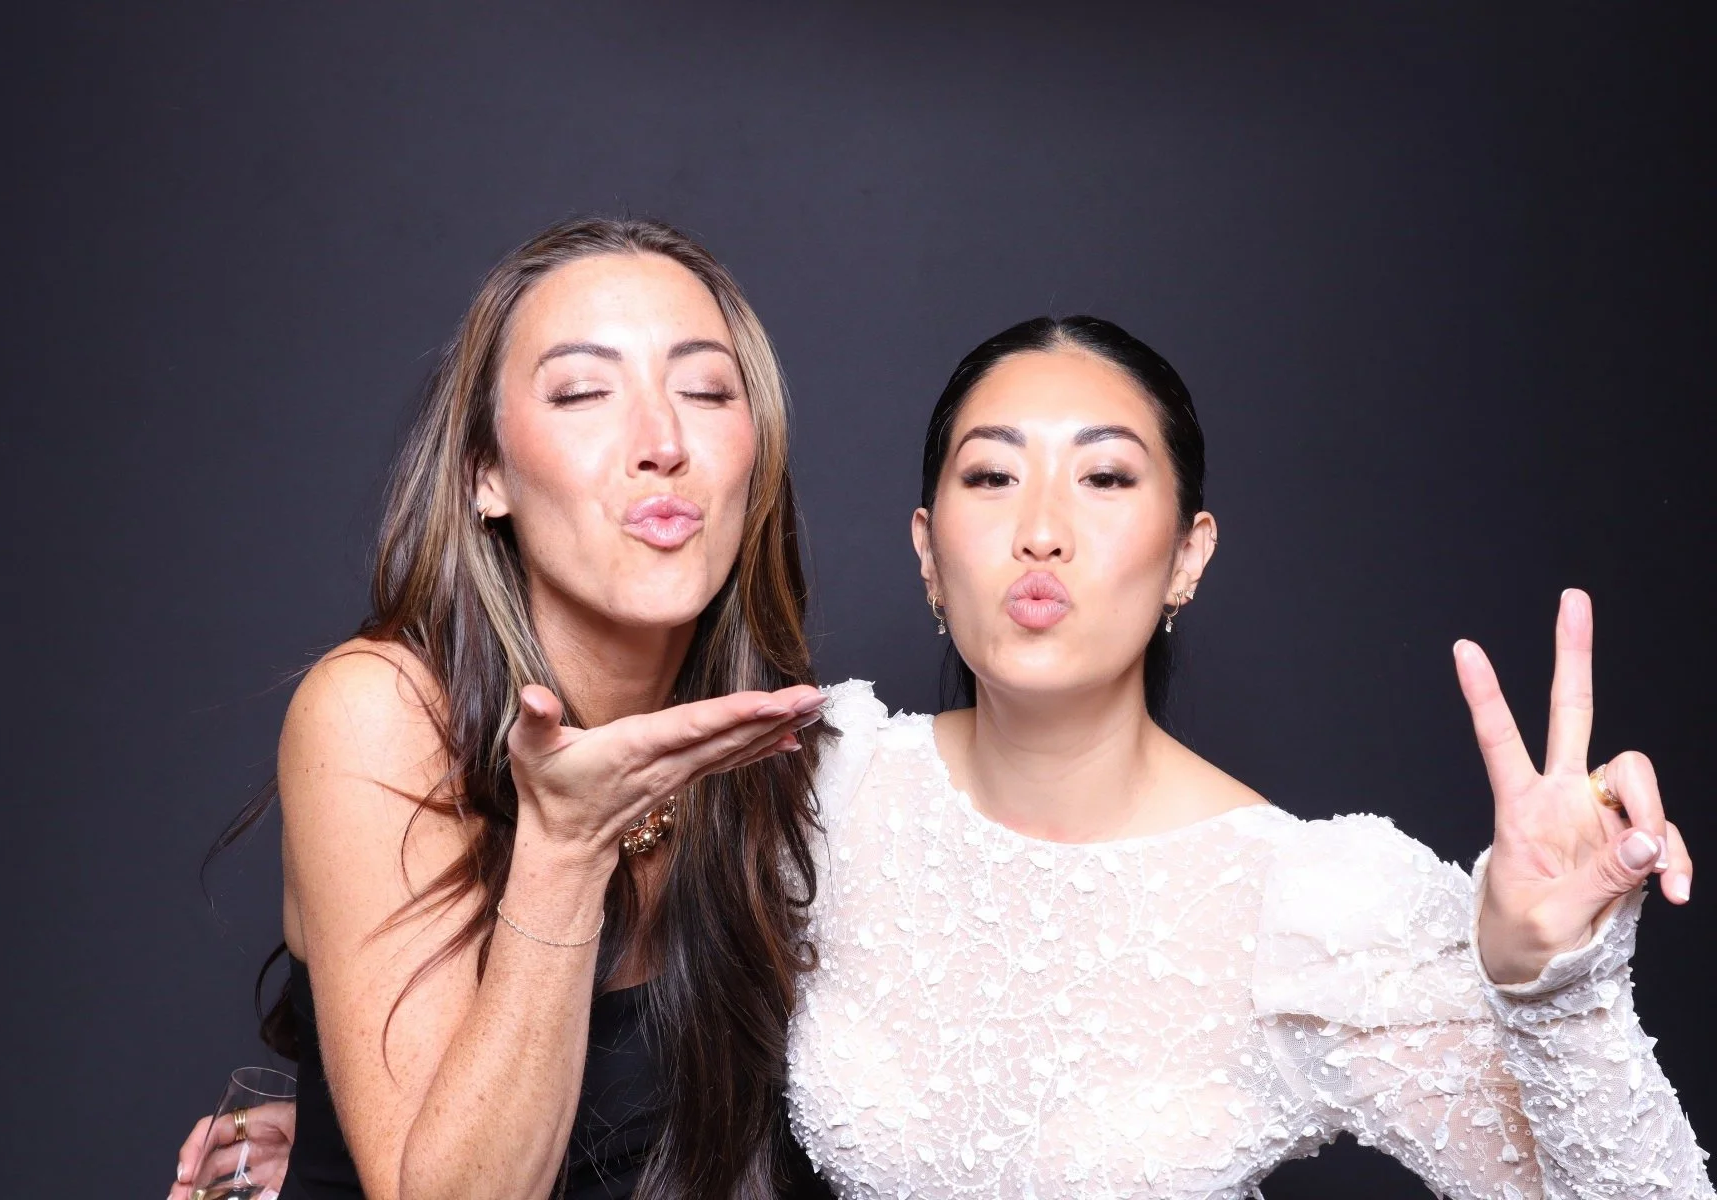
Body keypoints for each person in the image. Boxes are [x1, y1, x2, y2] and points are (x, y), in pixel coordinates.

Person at [782, 315, 1710, 1197]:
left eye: (1105, 477)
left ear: (1188, 557)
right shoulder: (828, 792)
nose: (1042, 530)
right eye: (992, 476)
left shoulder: (1305, 908)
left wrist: (1556, 991)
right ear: (928, 550)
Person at [172, 216, 841, 1200]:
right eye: (582, 393)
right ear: (486, 475)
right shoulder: (382, 710)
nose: (662, 443)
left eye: (706, 390)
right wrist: (565, 849)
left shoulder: (783, 747)